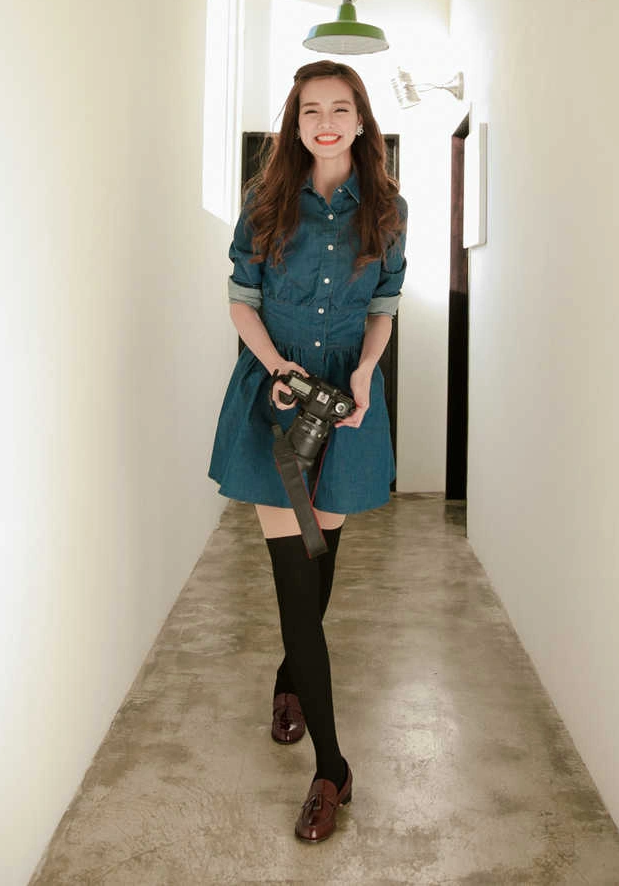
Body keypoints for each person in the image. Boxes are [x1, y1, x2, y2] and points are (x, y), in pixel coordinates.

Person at [208, 59, 408, 843]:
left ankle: (289, 679)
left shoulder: (387, 210)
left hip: (347, 408)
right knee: (297, 589)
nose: (325, 123)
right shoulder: (265, 203)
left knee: (318, 570)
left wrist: (364, 372)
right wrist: (276, 369)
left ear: (360, 120)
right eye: (310, 110)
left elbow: (384, 305)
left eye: (339, 108)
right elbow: (241, 301)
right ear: (296, 124)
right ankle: (332, 769)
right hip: (276, 402)